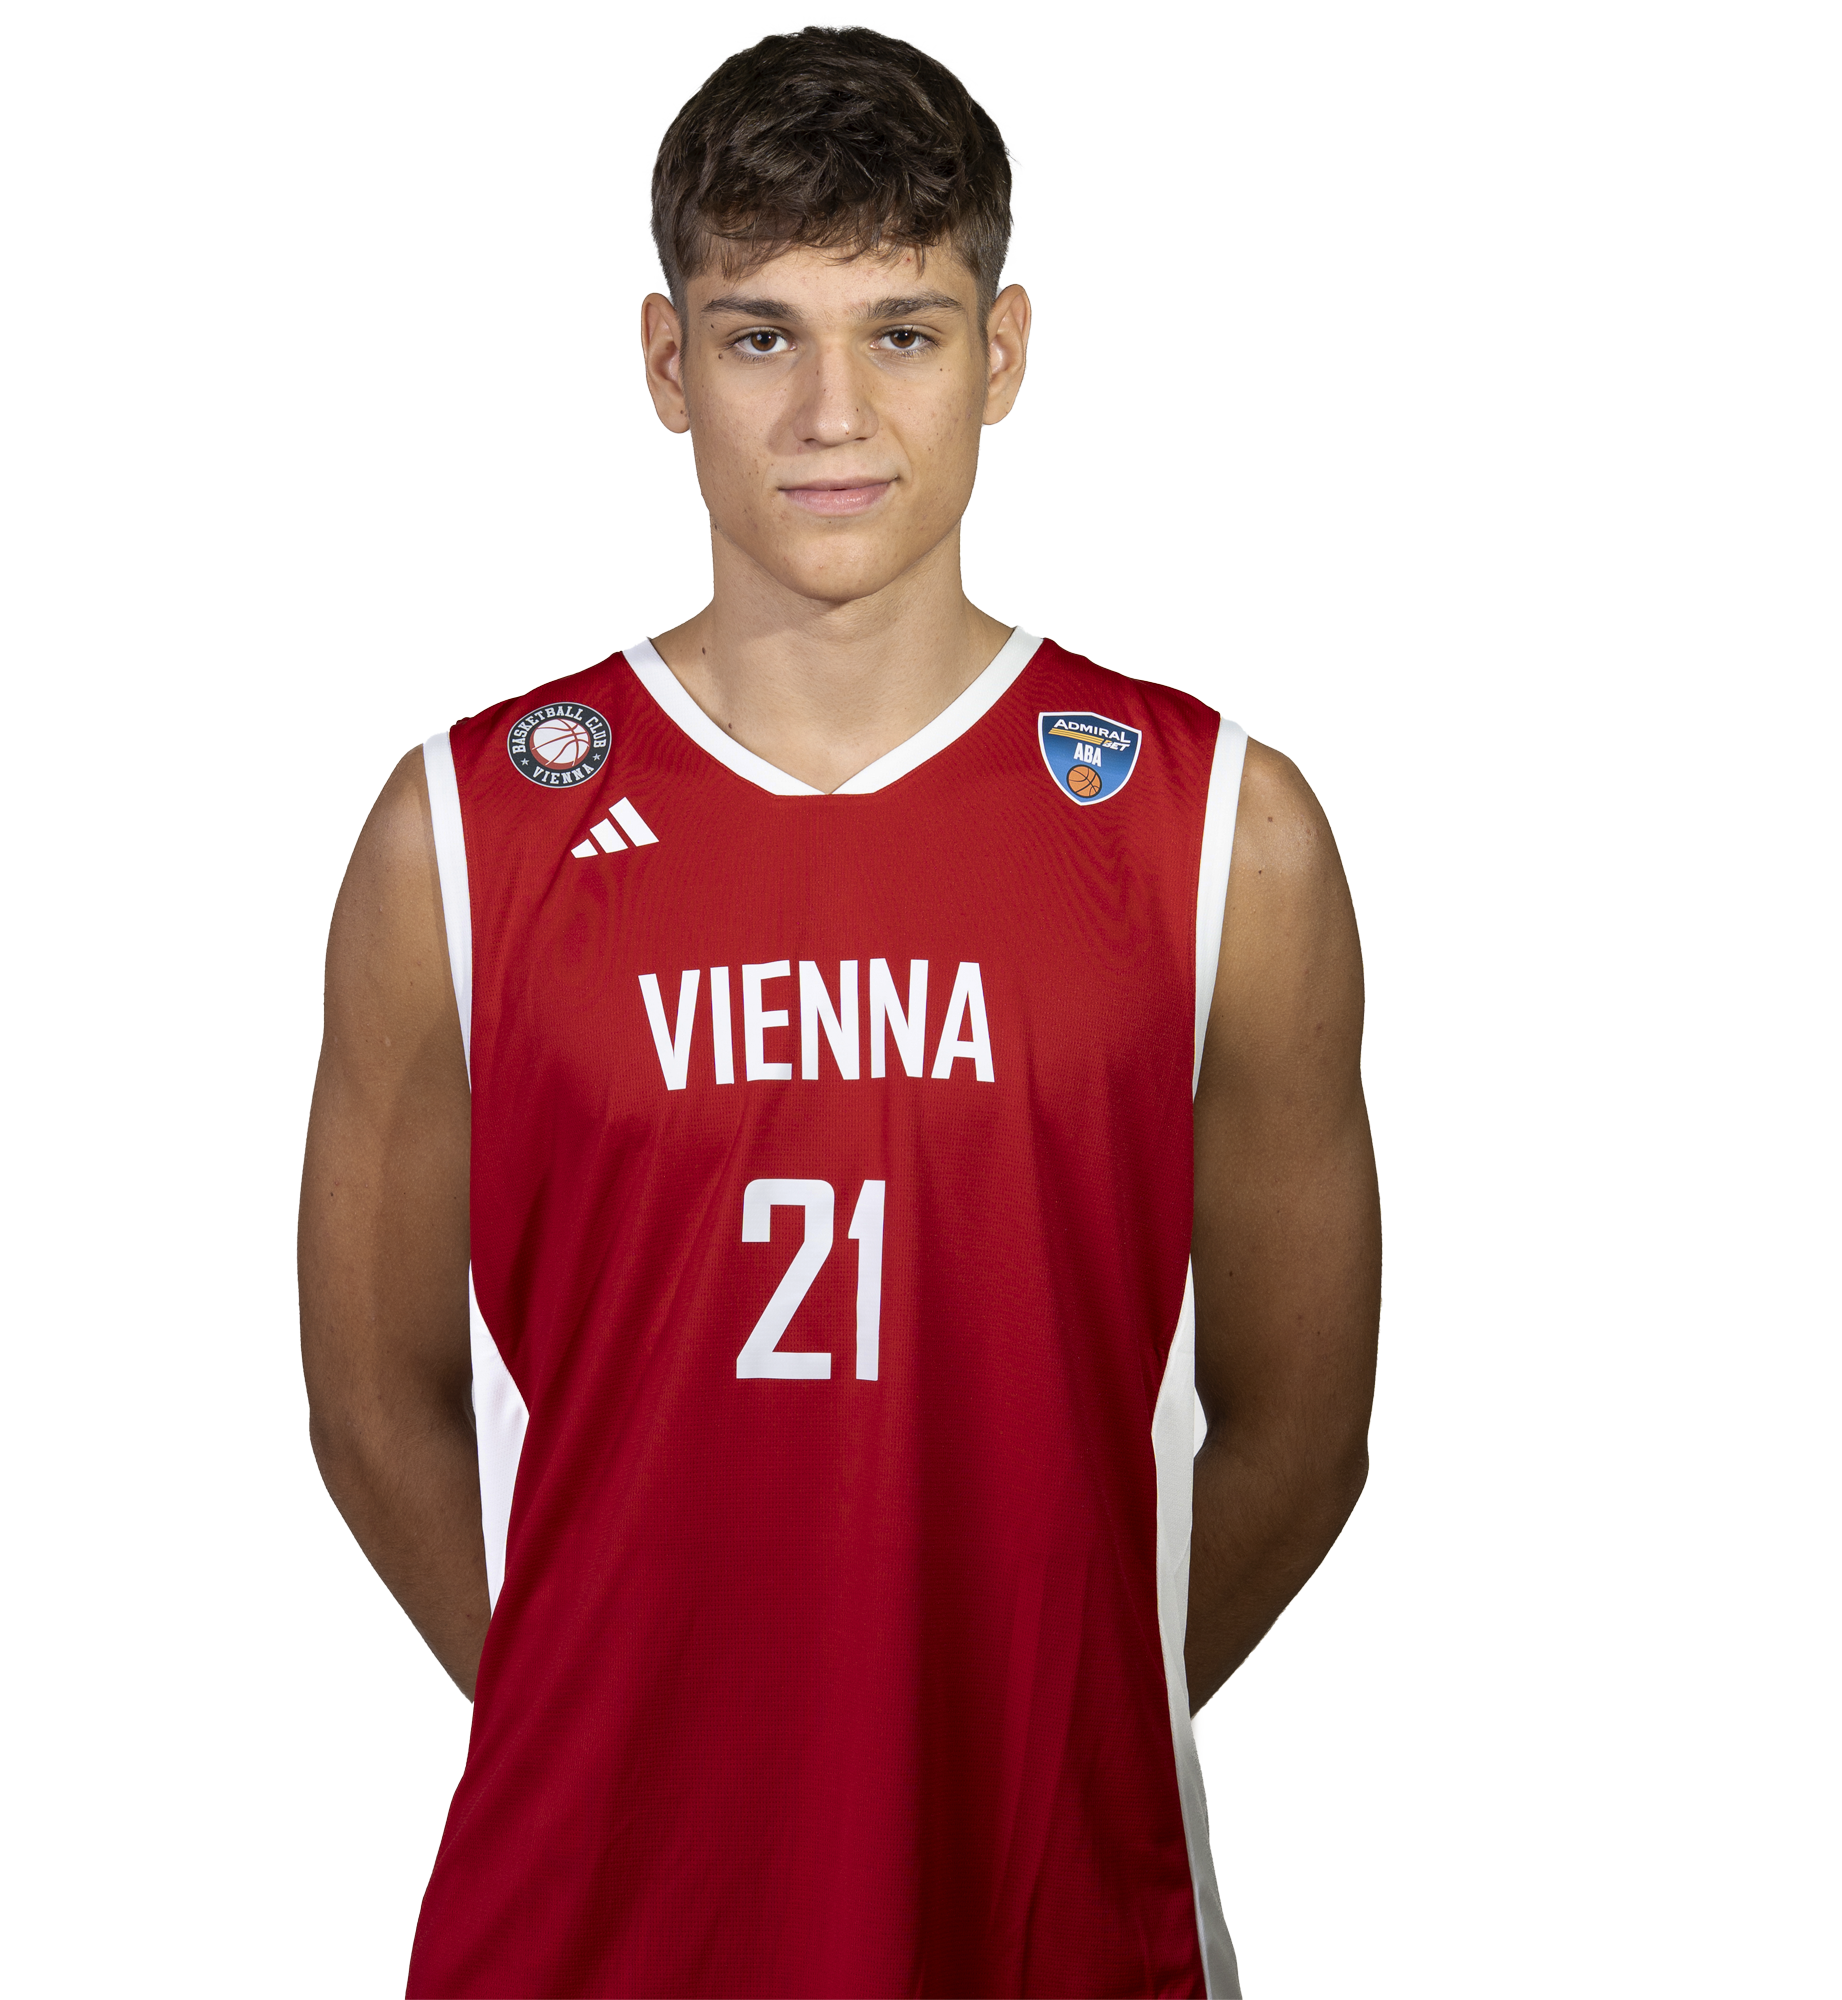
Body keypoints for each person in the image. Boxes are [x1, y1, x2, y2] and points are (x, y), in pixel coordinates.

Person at [299, 24, 1378, 2000]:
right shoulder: (462, 828)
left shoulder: (1218, 828)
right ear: (665, 363)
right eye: (758, 335)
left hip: (1042, 1900)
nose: (829, 413)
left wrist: (1065, 1711)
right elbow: (373, 1402)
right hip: (591, 1910)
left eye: (901, 330)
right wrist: (599, 1712)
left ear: (1002, 351)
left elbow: (1302, 1432)